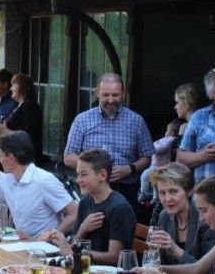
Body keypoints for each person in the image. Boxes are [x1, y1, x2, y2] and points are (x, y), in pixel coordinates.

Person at [64, 73, 154, 206]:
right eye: (106, 95)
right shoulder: (82, 120)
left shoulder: (136, 121)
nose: (111, 100)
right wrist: (96, 167)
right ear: (97, 93)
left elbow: (147, 157)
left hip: (126, 189)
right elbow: (68, 157)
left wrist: (130, 169)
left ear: (123, 93)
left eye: (115, 95)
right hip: (92, 188)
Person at [47, 149, 135, 265]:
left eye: (84, 174)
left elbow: (115, 257)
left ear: (103, 175)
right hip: (85, 266)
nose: (78, 180)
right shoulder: (85, 202)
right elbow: (76, 243)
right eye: (78, 174)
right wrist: (83, 229)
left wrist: (76, 253)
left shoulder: (120, 208)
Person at [0, 131, 77, 238]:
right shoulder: (8, 179)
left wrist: (49, 237)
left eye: (0, 156)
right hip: (22, 243)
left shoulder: (44, 181)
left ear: (11, 158)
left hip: (47, 246)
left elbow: (74, 213)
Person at [140, 84, 201, 203]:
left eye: (177, 102)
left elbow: (182, 159)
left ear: (187, 102)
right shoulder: (187, 125)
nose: (175, 106)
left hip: (186, 181)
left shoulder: (187, 127)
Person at [149, 163, 215, 265]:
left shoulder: (205, 219)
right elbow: (159, 262)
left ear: (189, 191)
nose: (167, 199)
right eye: (162, 193)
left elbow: (208, 269)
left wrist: (176, 250)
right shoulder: (164, 216)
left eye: (173, 191)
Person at [0, 73, 43, 165]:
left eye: (13, 85)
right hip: (14, 157)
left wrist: (6, 131)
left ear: (22, 87)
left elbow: (29, 136)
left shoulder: (30, 107)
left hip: (24, 160)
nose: (10, 89)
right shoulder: (19, 106)